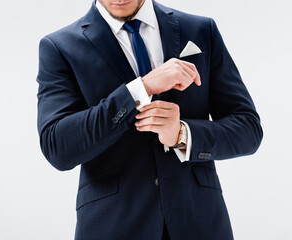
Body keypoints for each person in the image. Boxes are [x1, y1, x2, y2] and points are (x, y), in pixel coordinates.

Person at [36, 0, 263, 239]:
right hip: (113, 225)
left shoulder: (200, 30)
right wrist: (139, 90)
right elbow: (58, 147)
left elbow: (248, 129)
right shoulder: (59, 46)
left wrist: (182, 135)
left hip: (199, 222)